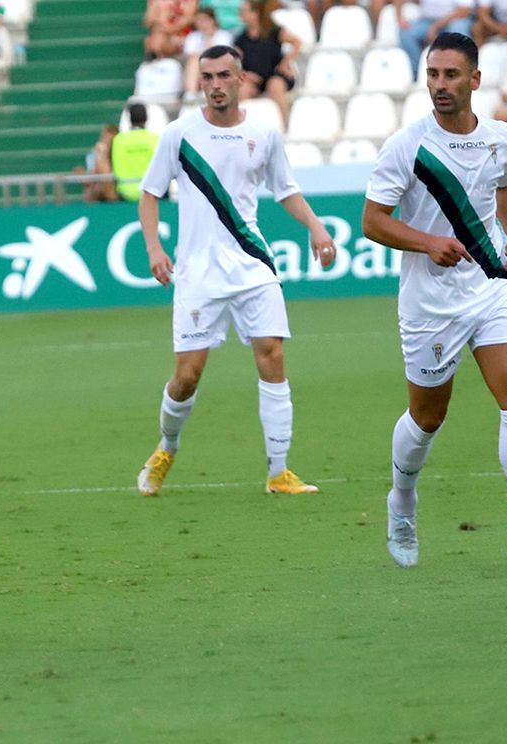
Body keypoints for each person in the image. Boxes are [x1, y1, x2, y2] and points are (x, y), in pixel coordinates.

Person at [360, 32, 507, 569]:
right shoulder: (406, 146)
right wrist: (428, 242)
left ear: (475, 79)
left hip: (491, 286)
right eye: (432, 75)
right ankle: (401, 501)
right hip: (430, 304)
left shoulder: (501, 136)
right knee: (428, 416)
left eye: (451, 75)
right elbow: (373, 222)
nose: (440, 86)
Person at [134, 45, 336, 499]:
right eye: (207, 77)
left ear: (241, 79)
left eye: (224, 76)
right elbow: (149, 194)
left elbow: (286, 190)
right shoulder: (179, 134)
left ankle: (279, 472)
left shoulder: (263, 134)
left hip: (252, 265)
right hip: (198, 273)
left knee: (272, 354)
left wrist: (316, 225)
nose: (215, 85)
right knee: (187, 375)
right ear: (200, 82)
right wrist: (154, 248)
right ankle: (167, 448)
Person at [234, 0, 300, 124]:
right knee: (242, 89)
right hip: (254, 78)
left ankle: (286, 124)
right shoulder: (240, 38)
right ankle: (242, 125)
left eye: (243, 11)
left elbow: (297, 42)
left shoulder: (275, 31)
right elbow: (235, 62)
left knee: (275, 85)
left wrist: (285, 63)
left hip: (275, 74)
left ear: (255, 13)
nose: (240, 14)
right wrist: (246, 74)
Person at [396, 0, 474, 76]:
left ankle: (462, 71)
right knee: (406, 32)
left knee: (459, 30)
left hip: (454, 20)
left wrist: (436, 26)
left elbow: (463, 11)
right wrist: (399, 17)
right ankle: (415, 74)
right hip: (427, 20)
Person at [182, 7, 234, 102]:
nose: (201, 23)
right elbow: (190, 57)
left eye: (204, 20)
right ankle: (191, 93)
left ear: (212, 20)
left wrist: (209, 38)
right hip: (198, 71)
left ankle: (209, 88)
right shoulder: (193, 37)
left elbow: (222, 55)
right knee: (195, 60)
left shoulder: (224, 35)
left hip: (219, 67)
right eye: (198, 20)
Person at [111, 103, 159, 202]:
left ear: (130, 119)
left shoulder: (118, 140)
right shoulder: (155, 139)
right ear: (146, 118)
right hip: (151, 193)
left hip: (125, 193)